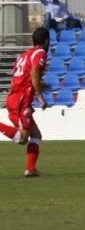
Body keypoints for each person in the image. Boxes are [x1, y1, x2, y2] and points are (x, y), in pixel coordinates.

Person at [0, 27, 50, 177]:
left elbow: (20, 77)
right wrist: (40, 97)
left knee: (36, 135)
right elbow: (34, 72)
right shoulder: (41, 52)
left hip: (17, 98)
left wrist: (38, 88)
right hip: (21, 100)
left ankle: (31, 168)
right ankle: (30, 168)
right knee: (23, 138)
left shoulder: (23, 55)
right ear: (46, 41)